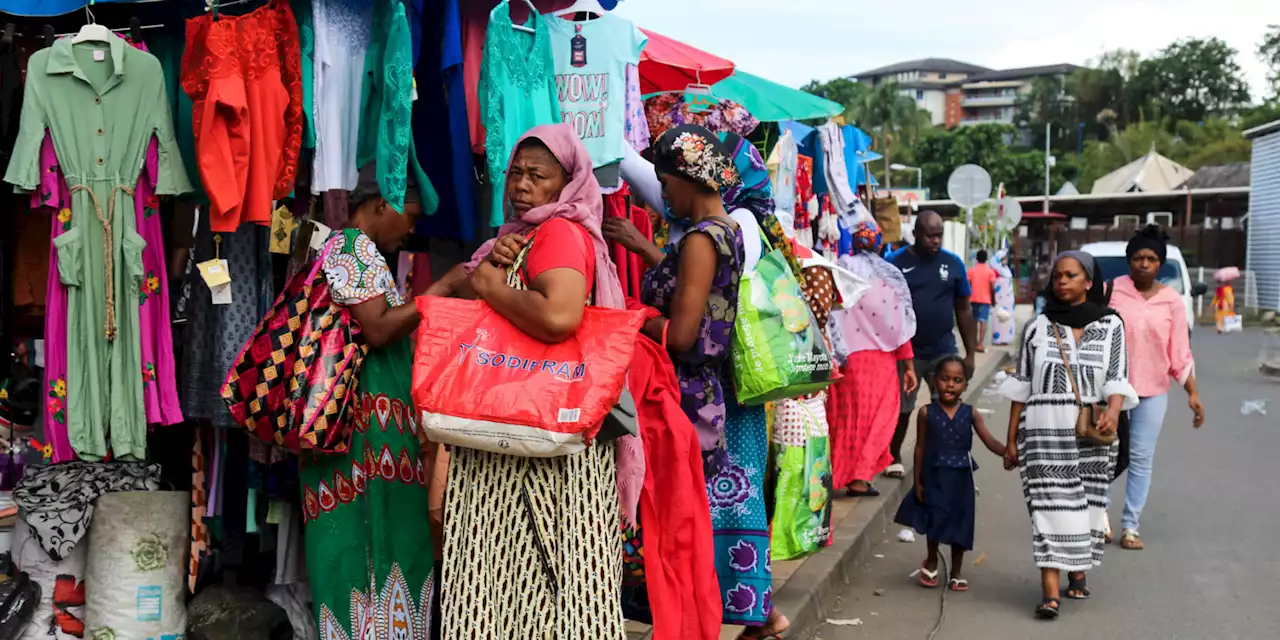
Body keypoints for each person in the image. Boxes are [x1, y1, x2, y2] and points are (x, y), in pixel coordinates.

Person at [428, 124, 629, 639]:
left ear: (566, 183)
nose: (520, 185)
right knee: (533, 589)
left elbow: (559, 316)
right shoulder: (522, 235)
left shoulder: (559, 231)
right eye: (515, 173)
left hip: (539, 445)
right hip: (524, 433)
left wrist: (492, 287)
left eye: (537, 176)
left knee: (528, 581)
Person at [606, 124, 790, 639]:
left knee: (680, 516)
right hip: (703, 396)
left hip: (689, 397)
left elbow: (685, 335)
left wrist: (630, 316)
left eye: (666, 183)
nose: (663, 194)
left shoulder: (702, 240)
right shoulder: (728, 228)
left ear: (689, 179)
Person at [304, 163, 434, 639]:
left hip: (370, 438)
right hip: (358, 440)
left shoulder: (362, 253)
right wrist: (441, 294)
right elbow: (378, 330)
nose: (413, 229)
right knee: (361, 556)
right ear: (382, 205)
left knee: (382, 552)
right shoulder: (351, 247)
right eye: (411, 216)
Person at [999, 251, 1138, 620]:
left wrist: (1112, 410)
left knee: (1088, 507)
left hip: (1092, 433)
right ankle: (1049, 593)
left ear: (1089, 282)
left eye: (1071, 275)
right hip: (1043, 433)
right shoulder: (1038, 326)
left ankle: (1077, 571)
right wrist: (1012, 440)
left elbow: (1118, 377)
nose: (1062, 281)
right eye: (1058, 276)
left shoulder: (1111, 325)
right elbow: (1021, 388)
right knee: (1048, 511)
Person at [1106, 225, 1204, 551]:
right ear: (1129, 261)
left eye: (1151, 259)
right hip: (1111, 390)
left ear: (1159, 263)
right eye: (1138, 258)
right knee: (1104, 452)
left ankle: (1130, 526)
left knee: (1141, 457)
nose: (1144, 264)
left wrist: (1192, 392)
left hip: (1152, 391)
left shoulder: (1172, 301)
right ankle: (1097, 517)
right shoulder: (1111, 291)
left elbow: (1179, 353)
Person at [894, 356, 1006, 591]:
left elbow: (989, 440)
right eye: (945, 379)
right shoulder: (927, 413)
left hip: (961, 477)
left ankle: (956, 571)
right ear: (935, 381)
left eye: (957, 380)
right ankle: (932, 560)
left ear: (965, 384)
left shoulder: (970, 413)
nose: (950, 385)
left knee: (961, 522)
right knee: (936, 518)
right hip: (935, 476)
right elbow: (920, 447)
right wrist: (918, 481)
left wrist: (1008, 453)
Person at [826, 218, 918, 498]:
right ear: (880, 243)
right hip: (882, 363)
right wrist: (909, 366)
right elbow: (899, 326)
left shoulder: (840, 269)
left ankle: (836, 473)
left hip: (847, 359)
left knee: (845, 418)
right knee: (877, 421)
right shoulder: (889, 278)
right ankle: (860, 478)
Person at [882, 211, 977, 479]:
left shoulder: (953, 264)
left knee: (945, 406)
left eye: (939, 235)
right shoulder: (895, 263)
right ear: (915, 234)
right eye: (929, 235)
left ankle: (943, 458)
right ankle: (894, 455)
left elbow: (964, 310)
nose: (935, 241)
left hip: (943, 349)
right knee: (903, 408)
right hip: (906, 352)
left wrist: (970, 353)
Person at [967, 250, 999, 352]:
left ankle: (973, 343)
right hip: (985, 300)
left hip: (973, 298)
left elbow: (967, 285)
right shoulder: (990, 271)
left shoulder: (971, 271)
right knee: (983, 321)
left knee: (973, 321)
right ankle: (980, 344)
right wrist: (993, 299)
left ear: (976, 258)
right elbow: (992, 287)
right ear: (986, 259)